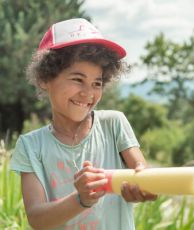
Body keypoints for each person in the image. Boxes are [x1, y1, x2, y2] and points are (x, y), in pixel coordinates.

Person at [10, 18, 157, 230]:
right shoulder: (30, 146)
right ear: (45, 78)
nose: (88, 93)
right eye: (78, 79)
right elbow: (36, 219)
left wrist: (144, 187)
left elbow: (143, 177)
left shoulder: (114, 124)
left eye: (97, 83)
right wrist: (81, 199)